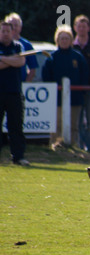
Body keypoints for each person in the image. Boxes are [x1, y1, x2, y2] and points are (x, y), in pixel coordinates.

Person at [42, 25, 88, 149]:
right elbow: (46, 76)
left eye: (66, 38)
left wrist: (82, 91)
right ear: (57, 40)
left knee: (74, 124)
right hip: (56, 98)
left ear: (71, 40)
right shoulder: (51, 58)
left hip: (75, 97)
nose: (64, 41)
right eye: (61, 38)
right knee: (57, 123)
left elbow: (84, 75)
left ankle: (73, 145)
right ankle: (55, 146)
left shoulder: (78, 57)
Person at [0, 21, 29, 166]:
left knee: (16, 127)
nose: (5, 33)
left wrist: (3, 58)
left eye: (7, 31)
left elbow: (21, 62)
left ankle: (18, 157)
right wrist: (11, 60)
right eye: (3, 31)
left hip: (14, 93)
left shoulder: (18, 46)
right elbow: (14, 61)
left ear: (12, 32)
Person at [73, 15, 90, 152]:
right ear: (75, 28)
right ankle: (78, 149)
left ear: (88, 28)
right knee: (77, 121)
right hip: (75, 89)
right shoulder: (71, 46)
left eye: (84, 26)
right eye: (79, 26)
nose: (82, 29)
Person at [5, 13, 38, 82]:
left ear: (20, 27)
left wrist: (25, 84)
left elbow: (32, 68)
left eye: (16, 25)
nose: (13, 28)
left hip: (19, 86)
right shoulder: (1, 44)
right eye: (11, 25)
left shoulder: (26, 45)